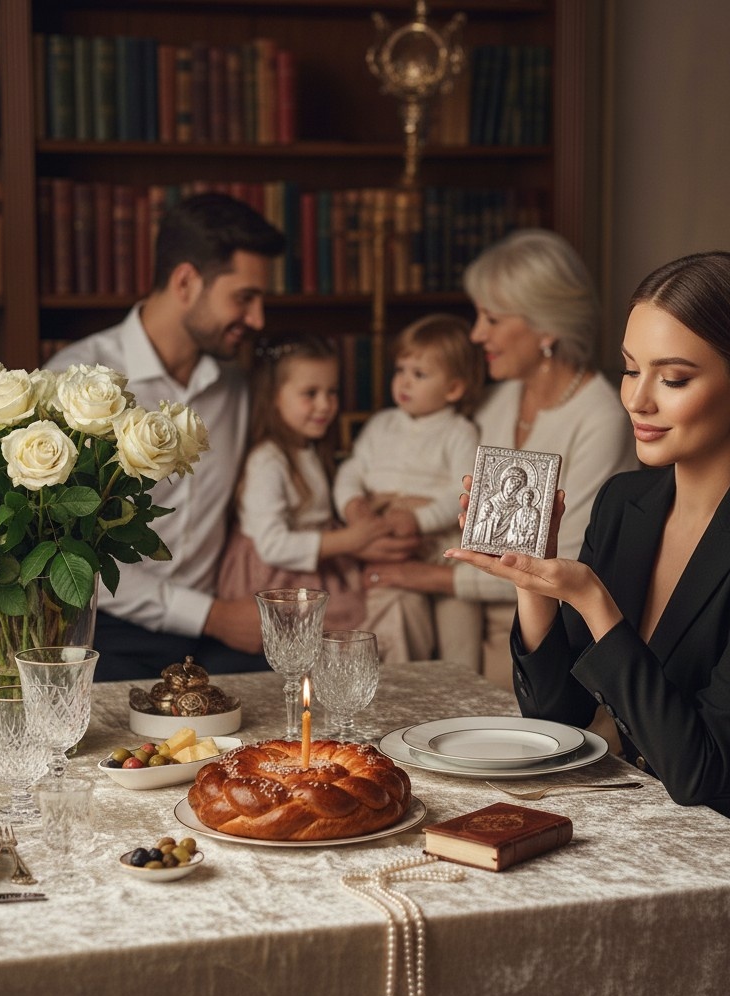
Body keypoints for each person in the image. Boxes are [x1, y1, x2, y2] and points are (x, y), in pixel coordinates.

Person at [447, 250, 730, 872]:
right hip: (644, 827)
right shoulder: (625, 502)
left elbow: (699, 771)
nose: (637, 401)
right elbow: (557, 721)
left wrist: (593, 601)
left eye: (671, 379)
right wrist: (531, 578)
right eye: (629, 369)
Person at [363, 229, 636, 684]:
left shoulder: (600, 418)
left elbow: (564, 565)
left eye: (491, 319)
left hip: (546, 643)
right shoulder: (494, 399)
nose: (475, 334)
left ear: (546, 326)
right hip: (452, 617)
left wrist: (423, 576)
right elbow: (442, 487)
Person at [46, 191, 285, 681]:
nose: (258, 320)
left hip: (220, 638)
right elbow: (68, 552)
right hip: (105, 634)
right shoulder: (75, 381)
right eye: (244, 298)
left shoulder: (237, 387)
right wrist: (212, 614)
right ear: (185, 281)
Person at [216, 335, 426, 662]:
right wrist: (349, 540)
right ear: (274, 397)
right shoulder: (268, 460)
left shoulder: (310, 450)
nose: (325, 405)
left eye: (332, 392)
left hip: (319, 570)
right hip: (278, 580)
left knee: (395, 604)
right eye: (310, 394)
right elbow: (272, 545)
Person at [333, 313, 487, 666]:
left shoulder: (459, 431)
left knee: (460, 626)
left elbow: (464, 492)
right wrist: (353, 506)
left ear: (454, 388)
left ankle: (461, 700)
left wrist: (418, 519)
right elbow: (351, 470)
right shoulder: (381, 424)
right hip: (387, 543)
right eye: (400, 370)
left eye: (419, 375)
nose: (404, 382)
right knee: (397, 620)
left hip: (441, 546)